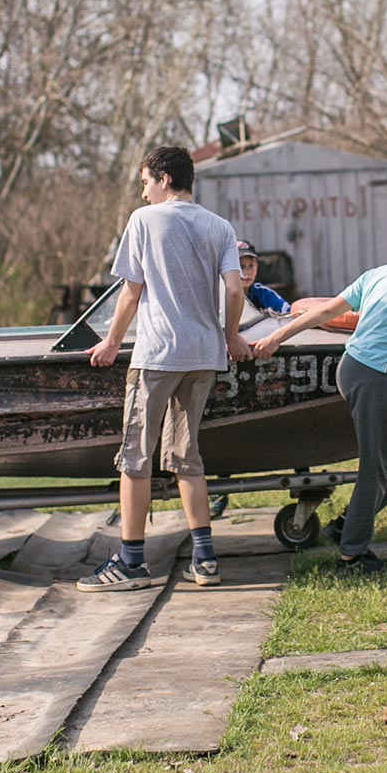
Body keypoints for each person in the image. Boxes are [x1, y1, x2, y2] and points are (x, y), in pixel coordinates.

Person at [78, 147, 251, 593]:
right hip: (204, 354)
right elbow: (234, 289)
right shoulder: (220, 226)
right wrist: (231, 336)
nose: (143, 190)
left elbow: (130, 293)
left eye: (144, 182)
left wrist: (112, 342)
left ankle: (132, 563)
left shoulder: (144, 220)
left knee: (136, 458)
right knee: (187, 457)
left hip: (157, 355)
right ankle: (205, 558)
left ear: (162, 179)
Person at [250, 207, 387, 574]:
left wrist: (276, 335)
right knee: (375, 468)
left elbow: (326, 310)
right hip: (375, 376)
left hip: (351, 369)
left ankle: (347, 525)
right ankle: (352, 556)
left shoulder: (377, 274)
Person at [236, 241, 290, 315]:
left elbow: (288, 312)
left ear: (257, 266)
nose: (247, 272)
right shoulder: (219, 296)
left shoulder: (262, 293)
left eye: (251, 266)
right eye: (241, 267)